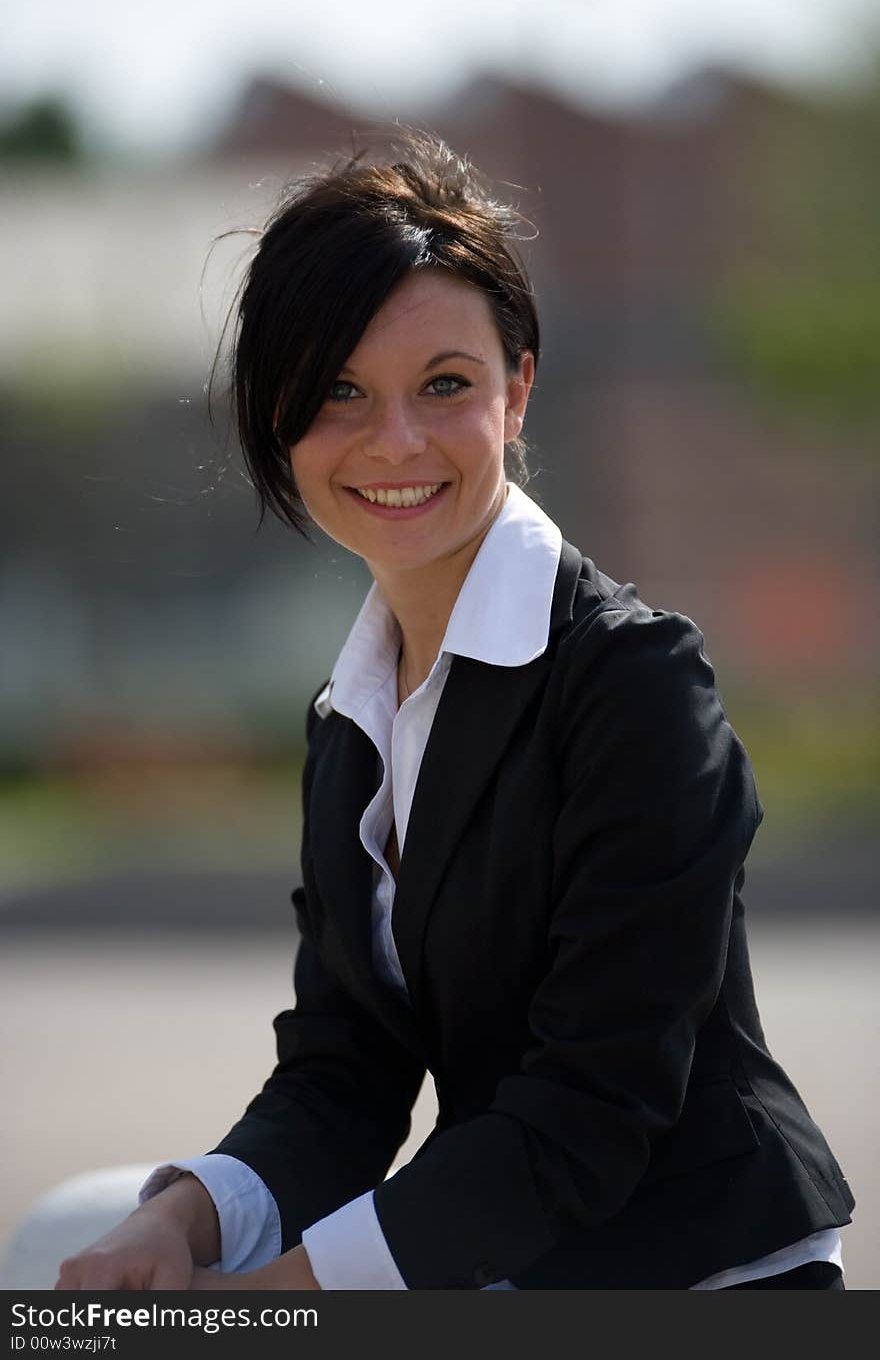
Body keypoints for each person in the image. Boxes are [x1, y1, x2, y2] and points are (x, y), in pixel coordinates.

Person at [55, 134, 854, 1292]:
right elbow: (345, 1071)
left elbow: (594, 1102)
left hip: (709, 1279)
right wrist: (177, 1223)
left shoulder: (632, 681)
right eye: (338, 391)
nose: (394, 442)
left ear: (517, 386)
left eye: (445, 385)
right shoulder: (351, 720)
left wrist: (284, 1301)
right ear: (275, 414)